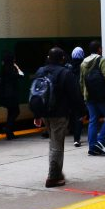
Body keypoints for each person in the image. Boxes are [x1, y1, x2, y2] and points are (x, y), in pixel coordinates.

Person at [32, 47, 84, 187]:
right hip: (59, 114)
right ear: (62, 59)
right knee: (57, 145)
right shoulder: (65, 73)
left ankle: (57, 172)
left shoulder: (40, 71)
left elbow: (35, 93)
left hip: (45, 113)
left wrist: (37, 114)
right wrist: (80, 112)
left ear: (48, 58)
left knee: (53, 142)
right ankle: (53, 177)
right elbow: (75, 95)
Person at [80, 40, 105, 157]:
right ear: (99, 49)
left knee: (93, 120)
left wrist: (84, 95)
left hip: (89, 96)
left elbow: (81, 82)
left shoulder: (83, 63)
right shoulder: (101, 59)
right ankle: (101, 141)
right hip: (101, 95)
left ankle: (92, 148)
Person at [0, 51, 23, 140]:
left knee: (10, 112)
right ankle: (7, 128)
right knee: (16, 112)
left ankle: (9, 133)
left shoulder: (4, 68)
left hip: (5, 95)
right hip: (11, 95)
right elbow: (21, 75)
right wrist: (17, 67)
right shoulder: (11, 68)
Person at [67, 46, 86, 147]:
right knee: (79, 116)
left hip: (70, 95)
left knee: (72, 114)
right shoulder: (84, 66)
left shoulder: (68, 67)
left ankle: (71, 130)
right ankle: (76, 138)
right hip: (80, 94)